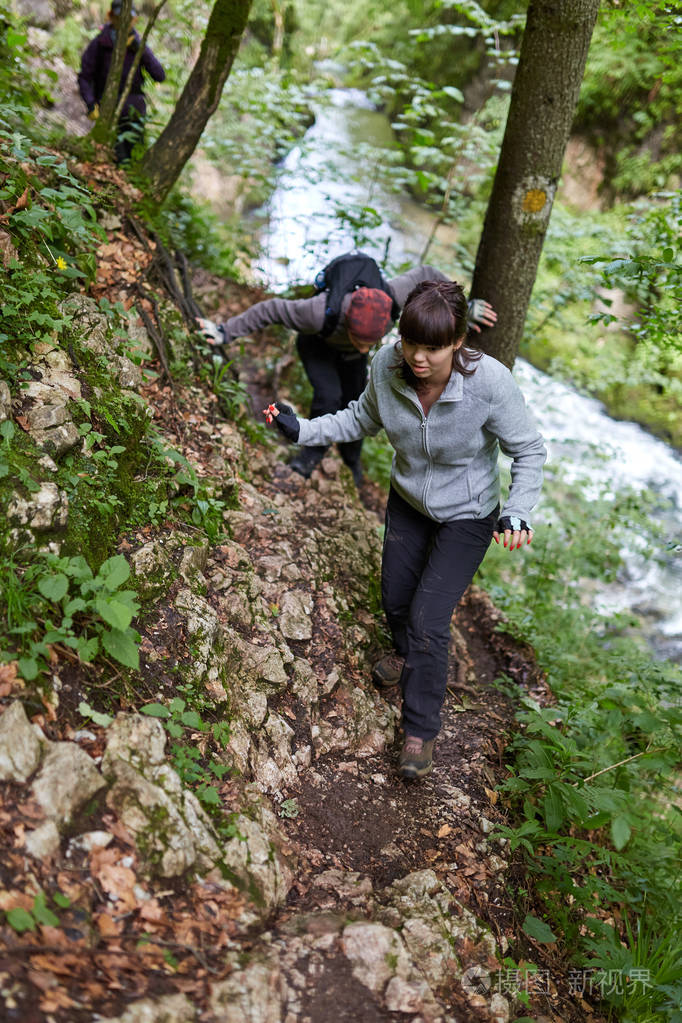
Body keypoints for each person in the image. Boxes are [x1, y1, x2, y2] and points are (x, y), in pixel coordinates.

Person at [264, 280, 546, 780]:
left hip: (469, 513)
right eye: (411, 342)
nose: (418, 357)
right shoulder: (387, 365)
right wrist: (302, 430)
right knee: (395, 600)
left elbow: (528, 450)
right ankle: (404, 654)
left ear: (458, 341)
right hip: (410, 502)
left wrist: (518, 509)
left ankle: (420, 729)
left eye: (433, 347)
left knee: (427, 619)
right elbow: (359, 418)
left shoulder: (489, 384)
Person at [197, 260, 496, 485]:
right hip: (318, 346)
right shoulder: (316, 312)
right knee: (328, 397)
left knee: (358, 404)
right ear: (348, 322)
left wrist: (463, 309)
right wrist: (224, 332)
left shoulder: (394, 295)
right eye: (362, 340)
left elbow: (426, 274)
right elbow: (270, 310)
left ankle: (351, 461)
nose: (369, 349)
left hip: (348, 356)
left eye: (373, 343)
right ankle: (309, 456)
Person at [78, 1, 165, 164]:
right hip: (108, 108)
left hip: (134, 110)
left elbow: (159, 75)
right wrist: (90, 104)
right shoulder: (100, 43)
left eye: (128, 18)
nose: (123, 22)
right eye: (118, 17)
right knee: (114, 158)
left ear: (134, 20)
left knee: (132, 160)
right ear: (111, 17)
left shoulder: (138, 44)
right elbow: (85, 76)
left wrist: (139, 49)